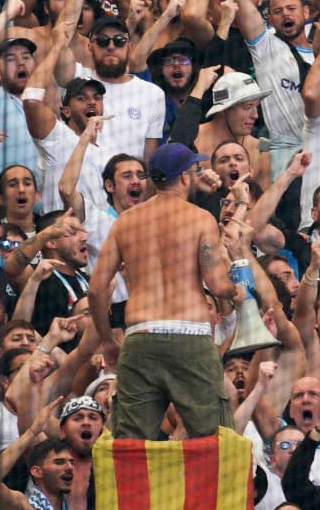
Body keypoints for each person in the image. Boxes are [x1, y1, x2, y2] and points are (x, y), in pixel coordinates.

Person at [89, 142, 236, 440]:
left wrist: (107, 340)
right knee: (215, 441)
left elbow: (95, 290)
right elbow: (218, 285)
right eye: (194, 171)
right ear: (184, 177)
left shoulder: (125, 222)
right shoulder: (200, 218)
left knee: (130, 446)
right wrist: (238, 287)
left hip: (140, 336)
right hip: (190, 338)